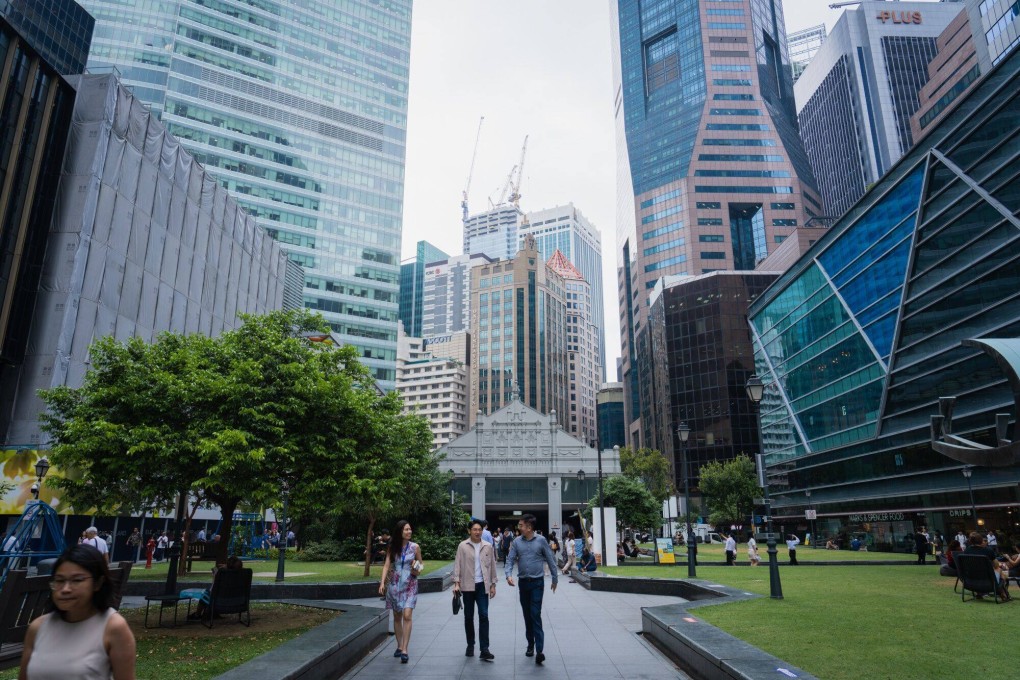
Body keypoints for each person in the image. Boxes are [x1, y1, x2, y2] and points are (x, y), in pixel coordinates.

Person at [19, 544, 136, 679]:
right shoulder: (38, 627)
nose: (65, 589)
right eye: (59, 580)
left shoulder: (113, 627)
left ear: (98, 583)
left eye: (77, 580)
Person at [504, 514, 557, 666]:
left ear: (529, 527)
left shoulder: (541, 540)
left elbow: (550, 559)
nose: (518, 527)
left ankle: (540, 650)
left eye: (521, 525)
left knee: (535, 614)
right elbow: (510, 560)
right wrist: (508, 575)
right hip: (523, 584)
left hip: (537, 583)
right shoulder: (516, 542)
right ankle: (530, 644)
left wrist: (555, 578)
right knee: (527, 615)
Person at [378, 520, 422, 664]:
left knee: (407, 614)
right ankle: (399, 645)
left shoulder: (415, 547)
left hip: (410, 583)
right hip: (395, 584)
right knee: (397, 615)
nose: (409, 532)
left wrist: (416, 568)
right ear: (400, 532)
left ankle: (405, 649)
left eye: (410, 529)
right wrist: (382, 582)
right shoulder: (392, 547)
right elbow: (386, 565)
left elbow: (420, 565)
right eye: (406, 530)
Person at [453, 519, 497, 662]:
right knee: (468, 616)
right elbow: (457, 564)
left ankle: (484, 649)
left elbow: (492, 566)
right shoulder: (463, 546)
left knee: (484, 615)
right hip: (467, 586)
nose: (478, 532)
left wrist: (493, 584)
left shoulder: (488, 546)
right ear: (469, 531)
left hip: (482, 586)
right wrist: (456, 583)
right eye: (475, 529)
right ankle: (470, 644)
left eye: (479, 529)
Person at [963, 531, 1010, 600]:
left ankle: (980, 593)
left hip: (970, 579)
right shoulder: (987, 550)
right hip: (988, 580)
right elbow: (996, 565)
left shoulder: (966, 551)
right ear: (981, 540)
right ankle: (1002, 592)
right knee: (999, 569)